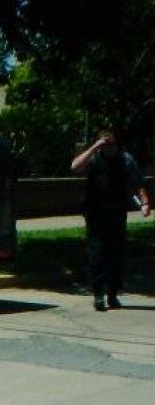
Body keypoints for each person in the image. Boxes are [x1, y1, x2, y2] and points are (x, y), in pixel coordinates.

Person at [71, 130, 151, 311]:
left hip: (117, 212)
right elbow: (75, 167)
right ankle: (98, 294)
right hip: (95, 213)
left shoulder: (126, 160)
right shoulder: (93, 158)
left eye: (110, 145)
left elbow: (138, 183)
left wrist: (145, 203)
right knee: (97, 254)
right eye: (103, 145)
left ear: (116, 144)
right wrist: (93, 147)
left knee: (116, 255)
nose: (107, 148)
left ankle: (113, 293)